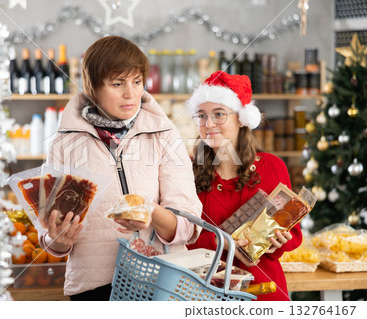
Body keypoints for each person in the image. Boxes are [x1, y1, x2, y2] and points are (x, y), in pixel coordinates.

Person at [40, 36, 202, 301]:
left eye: (137, 82)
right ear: (93, 87)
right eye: (118, 84)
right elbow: (48, 236)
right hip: (93, 291)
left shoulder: (164, 133)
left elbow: (188, 225)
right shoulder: (64, 142)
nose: (131, 94)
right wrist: (58, 240)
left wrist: (151, 212)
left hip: (162, 284)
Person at [186, 70, 302, 301]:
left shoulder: (272, 167)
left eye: (219, 114)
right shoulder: (187, 171)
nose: (208, 124)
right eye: (201, 115)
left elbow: (293, 232)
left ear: (241, 118)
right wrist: (223, 243)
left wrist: (277, 243)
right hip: (206, 293)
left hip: (264, 292)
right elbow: (178, 237)